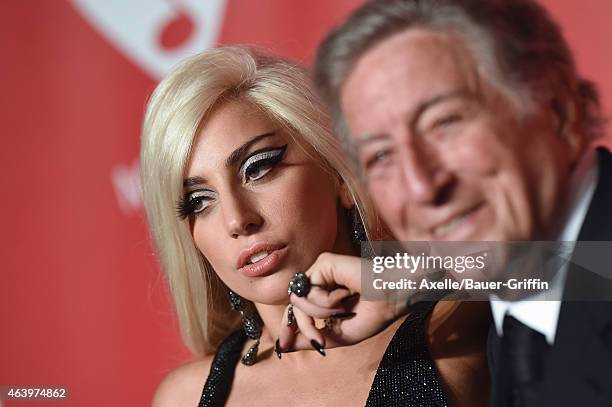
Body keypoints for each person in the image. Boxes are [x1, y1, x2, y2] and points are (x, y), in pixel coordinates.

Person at [281, 0, 612, 405]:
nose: (421, 186)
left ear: (559, 110)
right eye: (381, 156)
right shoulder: (517, 315)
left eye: (445, 123)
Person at [140, 46, 489, 406]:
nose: (237, 220)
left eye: (258, 168)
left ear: (340, 173)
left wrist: (402, 281)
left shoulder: (456, 328)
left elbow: (544, 272)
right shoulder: (184, 397)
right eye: (199, 201)